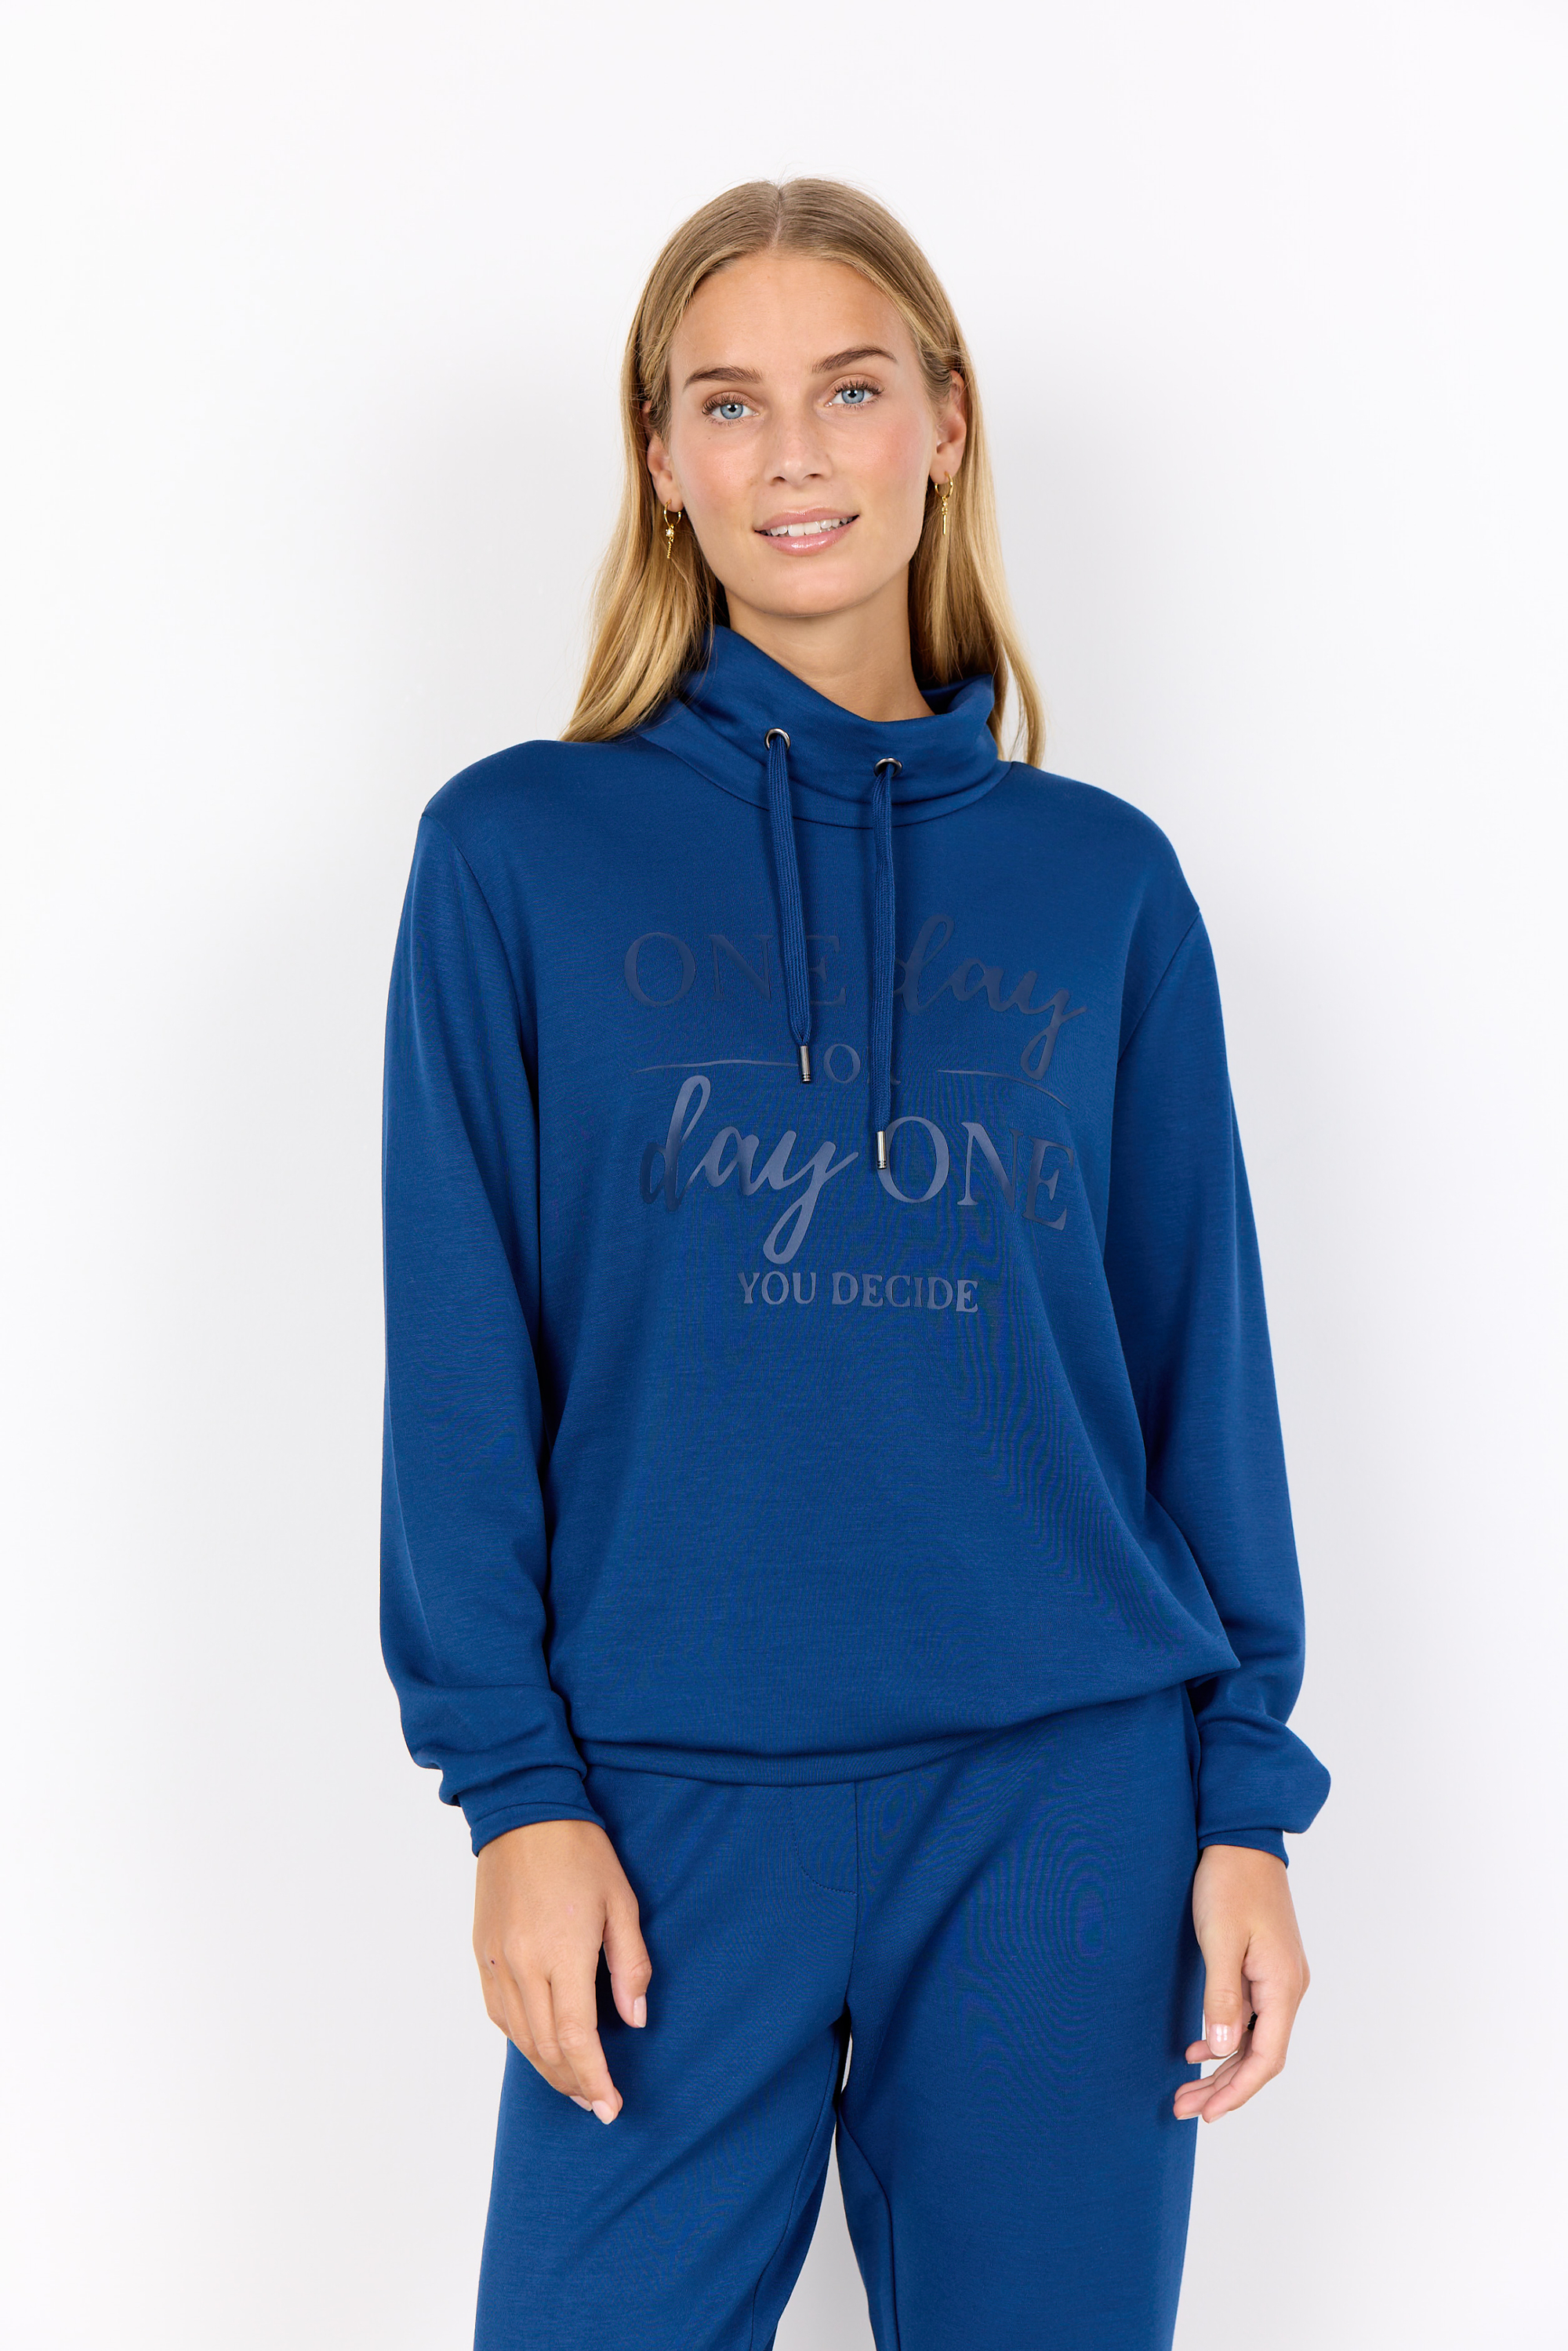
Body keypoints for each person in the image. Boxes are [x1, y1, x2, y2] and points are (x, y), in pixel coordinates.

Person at [379, 176, 1330, 2351]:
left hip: (1064, 1813)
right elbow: (462, 1364)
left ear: (946, 425)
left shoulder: (1104, 887)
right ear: (659, 457)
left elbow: (1198, 1365)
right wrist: (516, 1794)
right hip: (661, 1812)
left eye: (850, 390)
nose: (792, 455)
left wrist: (1244, 1803)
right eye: (728, 402)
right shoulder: (511, 853)